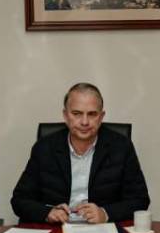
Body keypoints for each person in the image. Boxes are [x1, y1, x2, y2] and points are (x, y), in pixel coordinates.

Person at [11, 82, 151, 224]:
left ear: (101, 117)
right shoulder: (44, 148)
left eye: (92, 114)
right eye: (76, 114)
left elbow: (140, 200)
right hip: (56, 232)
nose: (84, 122)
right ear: (65, 116)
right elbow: (19, 200)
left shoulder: (121, 147)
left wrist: (105, 213)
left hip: (102, 231)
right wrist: (48, 213)